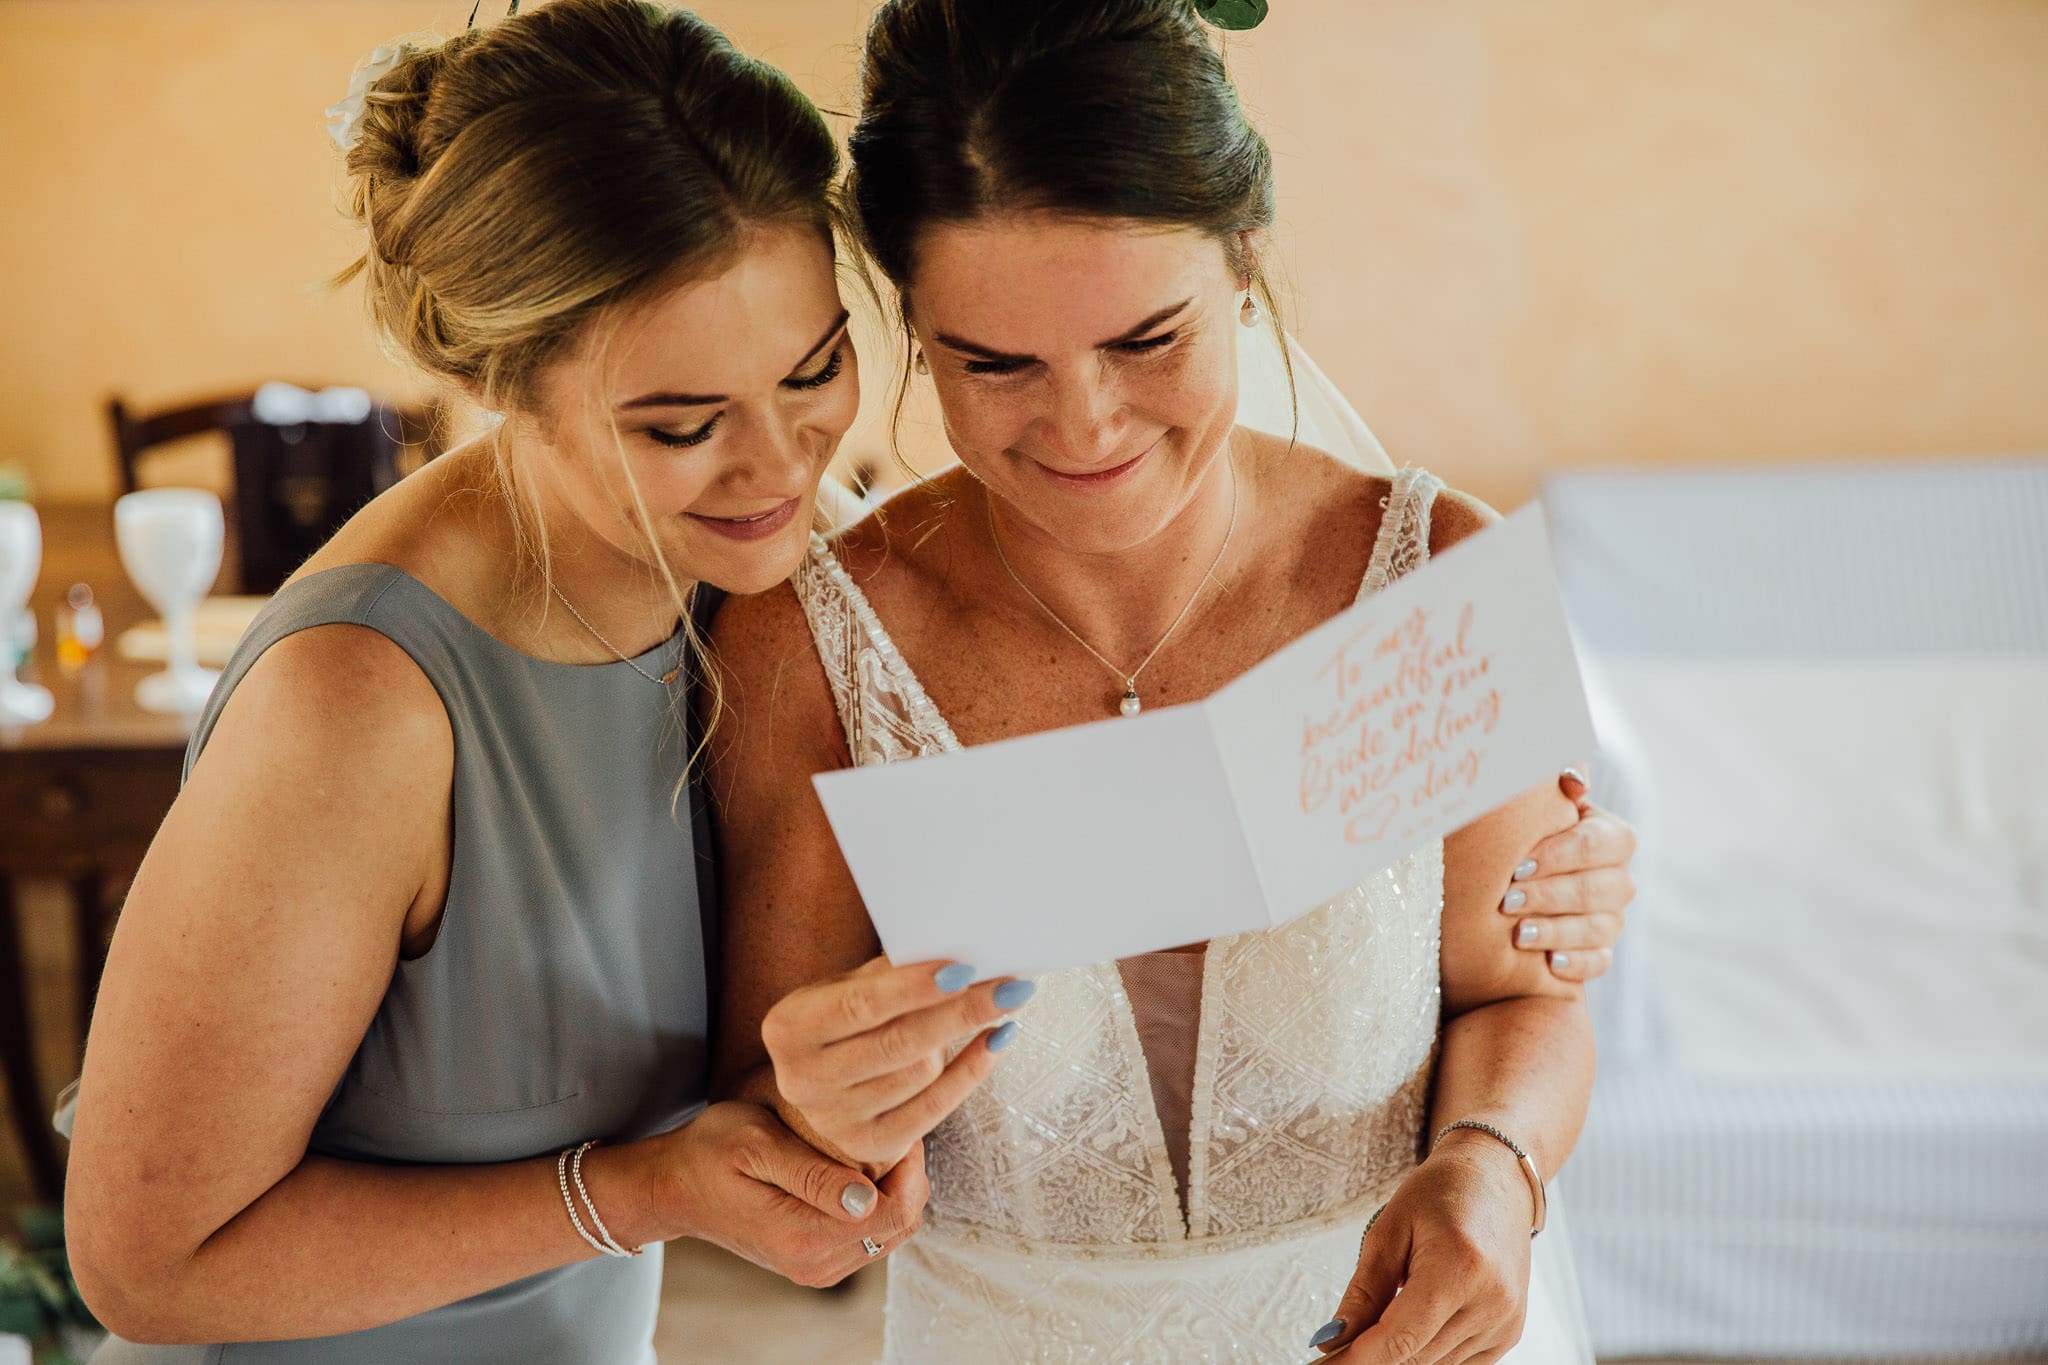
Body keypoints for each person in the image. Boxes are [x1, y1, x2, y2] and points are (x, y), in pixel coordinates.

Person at [708, 1, 1629, 1359]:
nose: (1086, 426)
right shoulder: (813, 636)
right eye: (995, 362)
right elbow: (757, 1117)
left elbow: (1525, 992)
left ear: (1245, 262)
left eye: (1149, 341)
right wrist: (821, 1113)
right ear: (911, 325)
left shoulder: (1434, 573)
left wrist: (1493, 1163)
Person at [61, 4, 925, 1360]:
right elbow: (147, 1263)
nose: (781, 466)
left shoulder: (762, 583)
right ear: (494, 378)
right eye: (683, 423)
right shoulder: (360, 705)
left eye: (814, 370)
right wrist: (641, 1190)